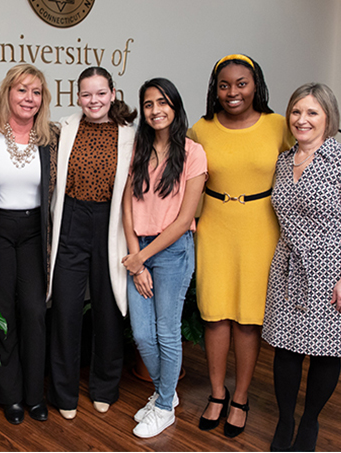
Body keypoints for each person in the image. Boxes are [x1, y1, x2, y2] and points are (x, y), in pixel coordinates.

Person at [188, 54, 294, 437]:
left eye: (241, 83)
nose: (232, 92)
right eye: (224, 85)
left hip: (261, 228)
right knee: (215, 314)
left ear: (256, 86)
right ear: (215, 90)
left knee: (248, 318)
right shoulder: (201, 129)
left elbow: (309, 159)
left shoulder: (279, 126)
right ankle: (217, 394)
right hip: (214, 226)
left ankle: (242, 397)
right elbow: (183, 176)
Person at [262, 83, 341, 452]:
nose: (302, 119)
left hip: (333, 270)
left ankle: (310, 422)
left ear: (328, 118)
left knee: (326, 350)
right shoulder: (282, 161)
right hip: (288, 267)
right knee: (285, 349)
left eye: (312, 113)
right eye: (296, 111)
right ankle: (285, 419)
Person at [0, 63, 58, 425]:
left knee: (34, 313)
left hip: (35, 232)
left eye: (36, 92)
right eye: (22, 90)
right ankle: (11, 397)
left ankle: (35, 395)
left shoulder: (51, 136)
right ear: (7, 92)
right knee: (3, 315)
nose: (28, 98)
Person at [48, 66, 137, 419]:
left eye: (100, 93)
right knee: (66, 311)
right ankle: (64, 393)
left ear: (113, 94)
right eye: (86, 94)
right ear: (77, 97)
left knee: (108, 309)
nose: (93, 100)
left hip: (109, 225)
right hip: (70, 221)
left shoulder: (130, 134)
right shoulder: (65, 128)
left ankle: (105, 387)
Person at [123, 78, 207, 438]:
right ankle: (165, 394)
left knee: (167, 334)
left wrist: (142, 257)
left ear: (175, 107)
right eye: (148, 104)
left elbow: (185, 218)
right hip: (138, 248)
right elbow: (127, 205)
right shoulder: (138, 148)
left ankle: (162, 407)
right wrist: (134, 255)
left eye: (163, 102)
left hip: (172, 251)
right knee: (143, 335)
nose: (156, 110)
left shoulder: (193, 153)